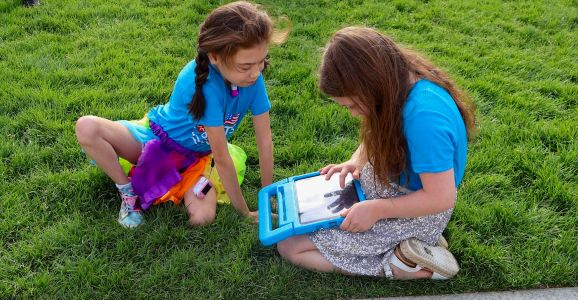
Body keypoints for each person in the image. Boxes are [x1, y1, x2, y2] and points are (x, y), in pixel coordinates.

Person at [277, 27, 476, 280]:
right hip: (390, 190)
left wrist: (376, 210)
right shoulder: (400, 83)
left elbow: (441, 197)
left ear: (371, 84)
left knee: (291, 247)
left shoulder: (425, 118)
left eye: (352, 104)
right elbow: (376, 137)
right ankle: (409, 249)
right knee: (300, 223)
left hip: (417, 211)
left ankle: (401, 266)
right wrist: (354, 161)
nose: (352, 113)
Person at [76, 1, 286, 228]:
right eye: (245, 66)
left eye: (261, 62)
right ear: (215, 57)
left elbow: (264, 141)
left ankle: (174, 183)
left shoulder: (253, 79)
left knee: (202, 219)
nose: (256, 73)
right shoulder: (204, 86)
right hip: (156, 143)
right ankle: (129, 194)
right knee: (87, 127)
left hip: (199, 160)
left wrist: (266, 197)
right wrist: (244, 212)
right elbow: (223, 158)